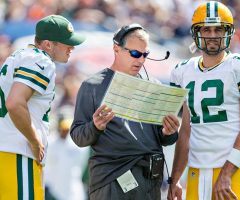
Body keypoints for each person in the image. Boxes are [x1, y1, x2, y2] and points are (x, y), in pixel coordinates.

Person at [168, 1, 240, 200]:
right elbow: (186, 131)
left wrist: (226, 174)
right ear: (196, 32)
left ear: (228, 32)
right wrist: (175, 178)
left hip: (233, 169)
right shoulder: (182, 71)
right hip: (196, 170)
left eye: (219, 29)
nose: (213, 35)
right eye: (206, 29)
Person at [70, 23, 179, 200]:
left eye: (145, 55)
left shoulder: (155, 86)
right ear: (116, 49)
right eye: (135, 53)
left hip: (150, 181)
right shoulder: (93, 86)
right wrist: (95, 126)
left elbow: (164, 139)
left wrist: (168, 132)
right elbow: (78, 136)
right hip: (112, 180)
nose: (141, 60)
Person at [0, 15, 85, 199]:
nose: (72, 48)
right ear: (48, 44)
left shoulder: (18, 56)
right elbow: (14, 103)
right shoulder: (41, 60)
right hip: (17, 152)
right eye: (66, 43)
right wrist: (34, 140)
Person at [45, 106, 88, 200]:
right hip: (52, 192)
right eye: (63, 128)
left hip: (74, 194)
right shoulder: (49, 142)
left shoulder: (79, 145)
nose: (65, 131)